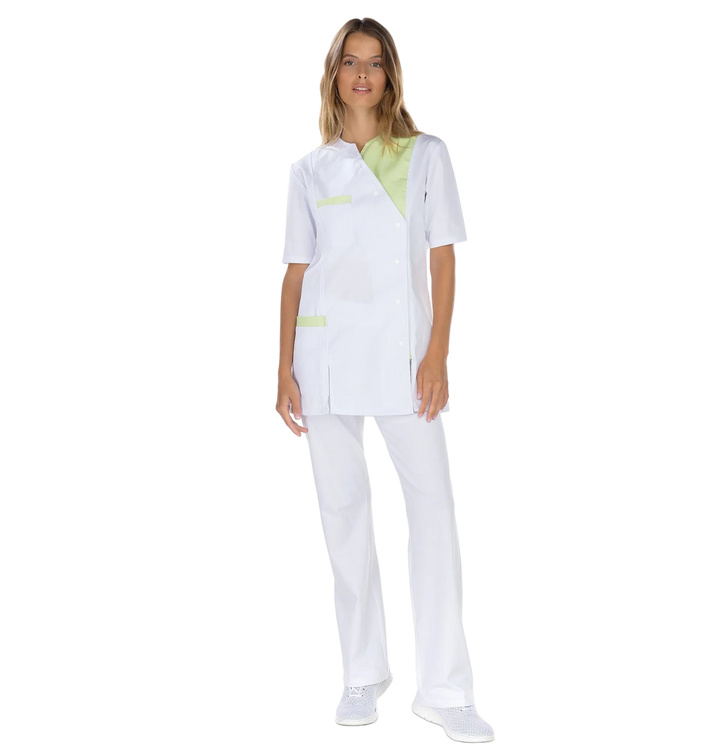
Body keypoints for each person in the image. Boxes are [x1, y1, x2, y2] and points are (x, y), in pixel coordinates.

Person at [274, 14, 496, 745]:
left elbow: (444, 258)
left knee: (432, 513)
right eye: (350, 62)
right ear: (333, 74)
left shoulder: (428, 154)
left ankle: (447, 690)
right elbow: (293, 276)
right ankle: (362, 674)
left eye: (374, 62)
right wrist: (283, 369)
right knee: (342, 515)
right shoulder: (307, 170)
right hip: (325, 364)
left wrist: (438, 353)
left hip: (406, 361)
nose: (362, 74)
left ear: (391, 74)